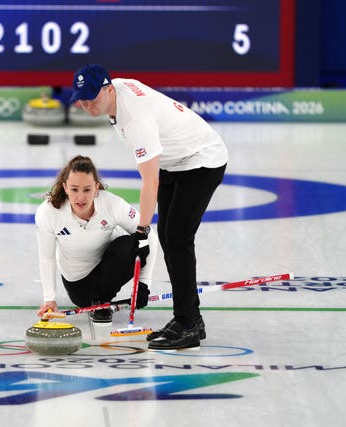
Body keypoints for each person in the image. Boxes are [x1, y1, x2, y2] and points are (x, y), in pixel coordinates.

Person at [69, 64, 228, 350]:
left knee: (177, 239)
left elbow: (149, 181)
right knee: (168, 238)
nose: (86, 104)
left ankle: (189, 324)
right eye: (82, 98)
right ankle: (187, 317)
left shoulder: (135, 119)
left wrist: (141, 231)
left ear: (108, 89)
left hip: (201, 160)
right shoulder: (115, 93)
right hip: (174, 160)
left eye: (92, 97)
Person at [35, 155, 157, 324]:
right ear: (65, 187)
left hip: (110, 265)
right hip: (78, 282)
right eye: (74, 189)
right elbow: (47, 257)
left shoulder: (112, 204)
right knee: (85, 297)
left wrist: (144, 284)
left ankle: (103, 301)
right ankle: (97, 302)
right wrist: (49, 298)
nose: (80, 198)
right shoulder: (48, 213)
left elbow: (149, 234)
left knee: (132, 243)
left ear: (96, 188)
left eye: (87, 189)